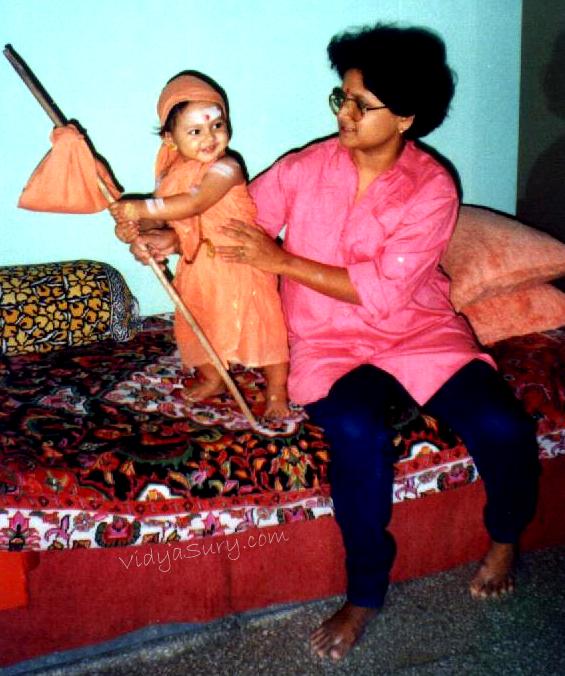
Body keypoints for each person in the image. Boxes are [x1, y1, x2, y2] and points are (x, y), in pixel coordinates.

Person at [128, 25, 540, 661]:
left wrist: (280, 261)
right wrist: (168, 239)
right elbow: (233, 224)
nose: (343, 113)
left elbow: (386, 291)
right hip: (327, 338)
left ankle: (506, 537)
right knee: (354, 429)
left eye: (360, 104)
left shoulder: (433, 187)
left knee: (503, 425)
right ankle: (365, 592)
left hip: (417, 332)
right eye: (341, 98)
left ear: (405, 117)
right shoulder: (305, 167)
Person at [110, 72, 290, 418]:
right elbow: (162, 218)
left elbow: (194, 202)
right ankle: (213, 378)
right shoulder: (171, 176)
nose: (210, 137)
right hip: (199, 267)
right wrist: (134, 228)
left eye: (217, 126)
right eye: (195, 131)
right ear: (170, 138)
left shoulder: (227, 167)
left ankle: (276, 392)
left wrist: (140, 208)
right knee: (197, 323)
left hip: (241, 261)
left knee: (263, 326)